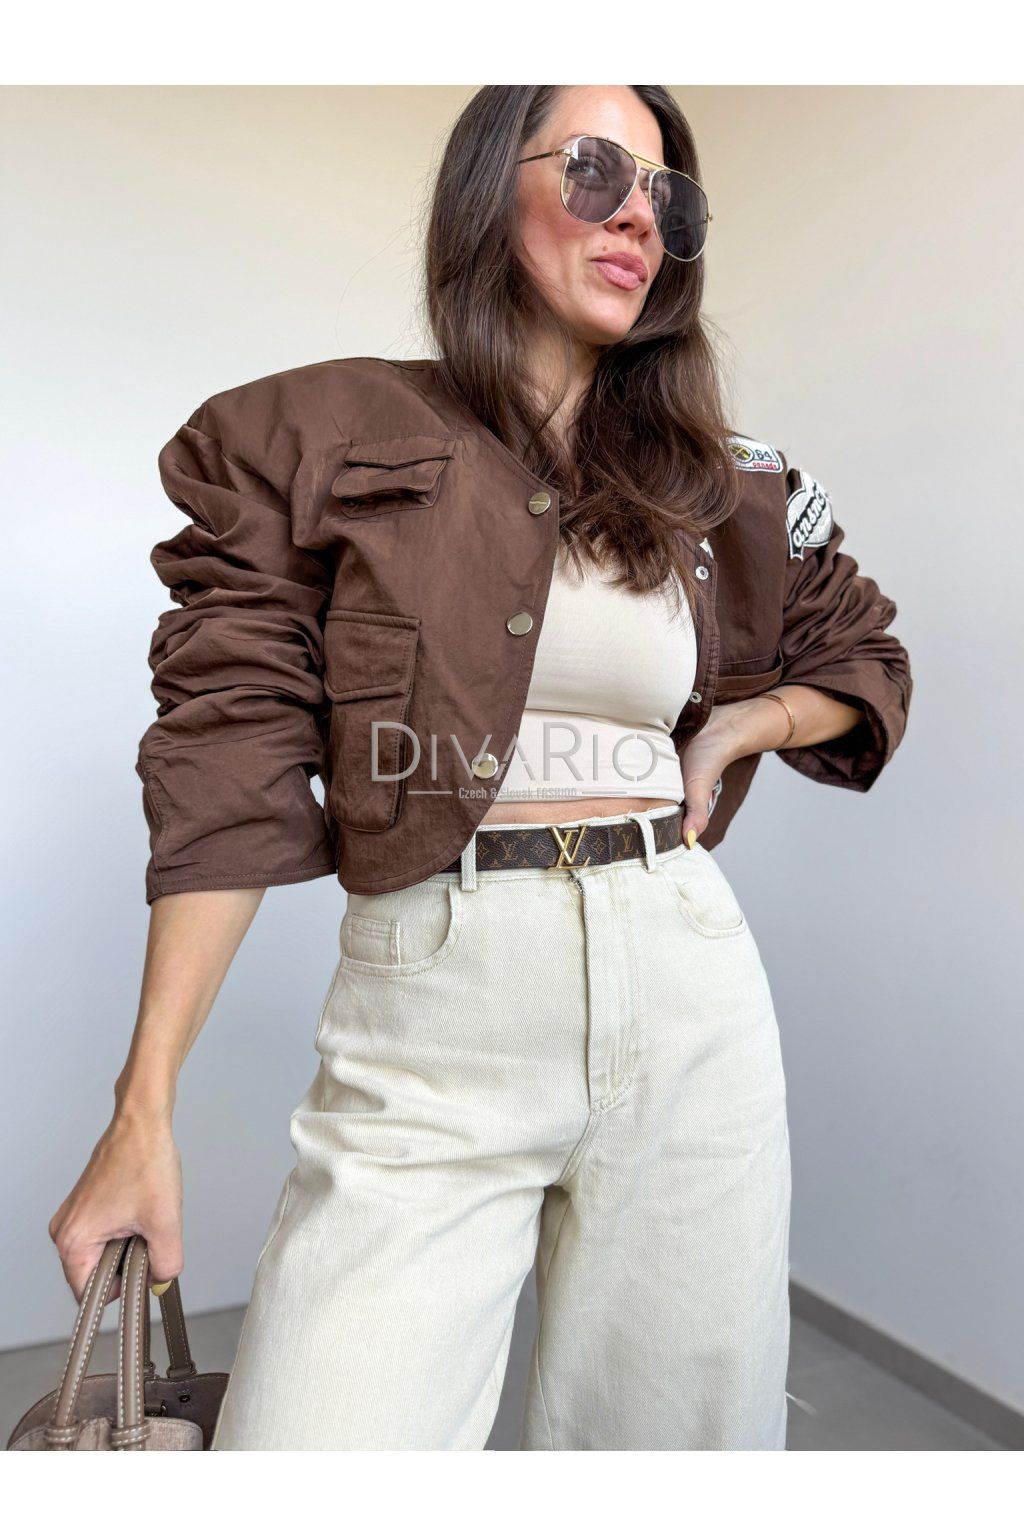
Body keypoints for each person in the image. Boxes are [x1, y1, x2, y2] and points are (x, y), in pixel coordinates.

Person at [47, 84, 913, 1451]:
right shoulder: (320, 432)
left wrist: (744, 726)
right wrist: (140, 1106)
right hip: (437, 989)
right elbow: (228, 755)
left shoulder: (727, 482)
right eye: (595, 171)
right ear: (485, 190)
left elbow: (864, 654)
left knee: (676, 1448)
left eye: (669, 197)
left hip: (687, 984)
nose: (638, 217)